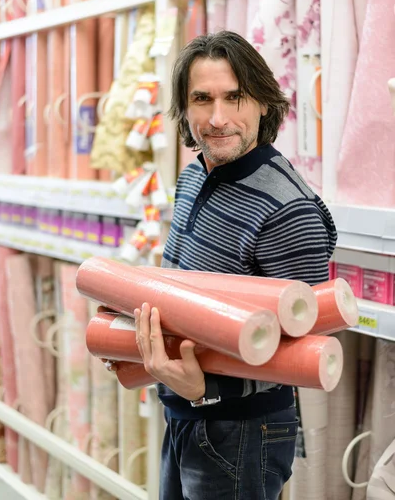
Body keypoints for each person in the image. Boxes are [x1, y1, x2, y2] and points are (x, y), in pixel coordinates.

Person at [134, 30, 337, 499]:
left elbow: (298, 352)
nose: (218, 118)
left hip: (242, 432)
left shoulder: (289, 209)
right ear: (185, 108)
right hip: (184, 413)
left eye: (235, 97)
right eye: (202, 99)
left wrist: (204, 389)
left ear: (263, 103)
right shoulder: (192, 176)